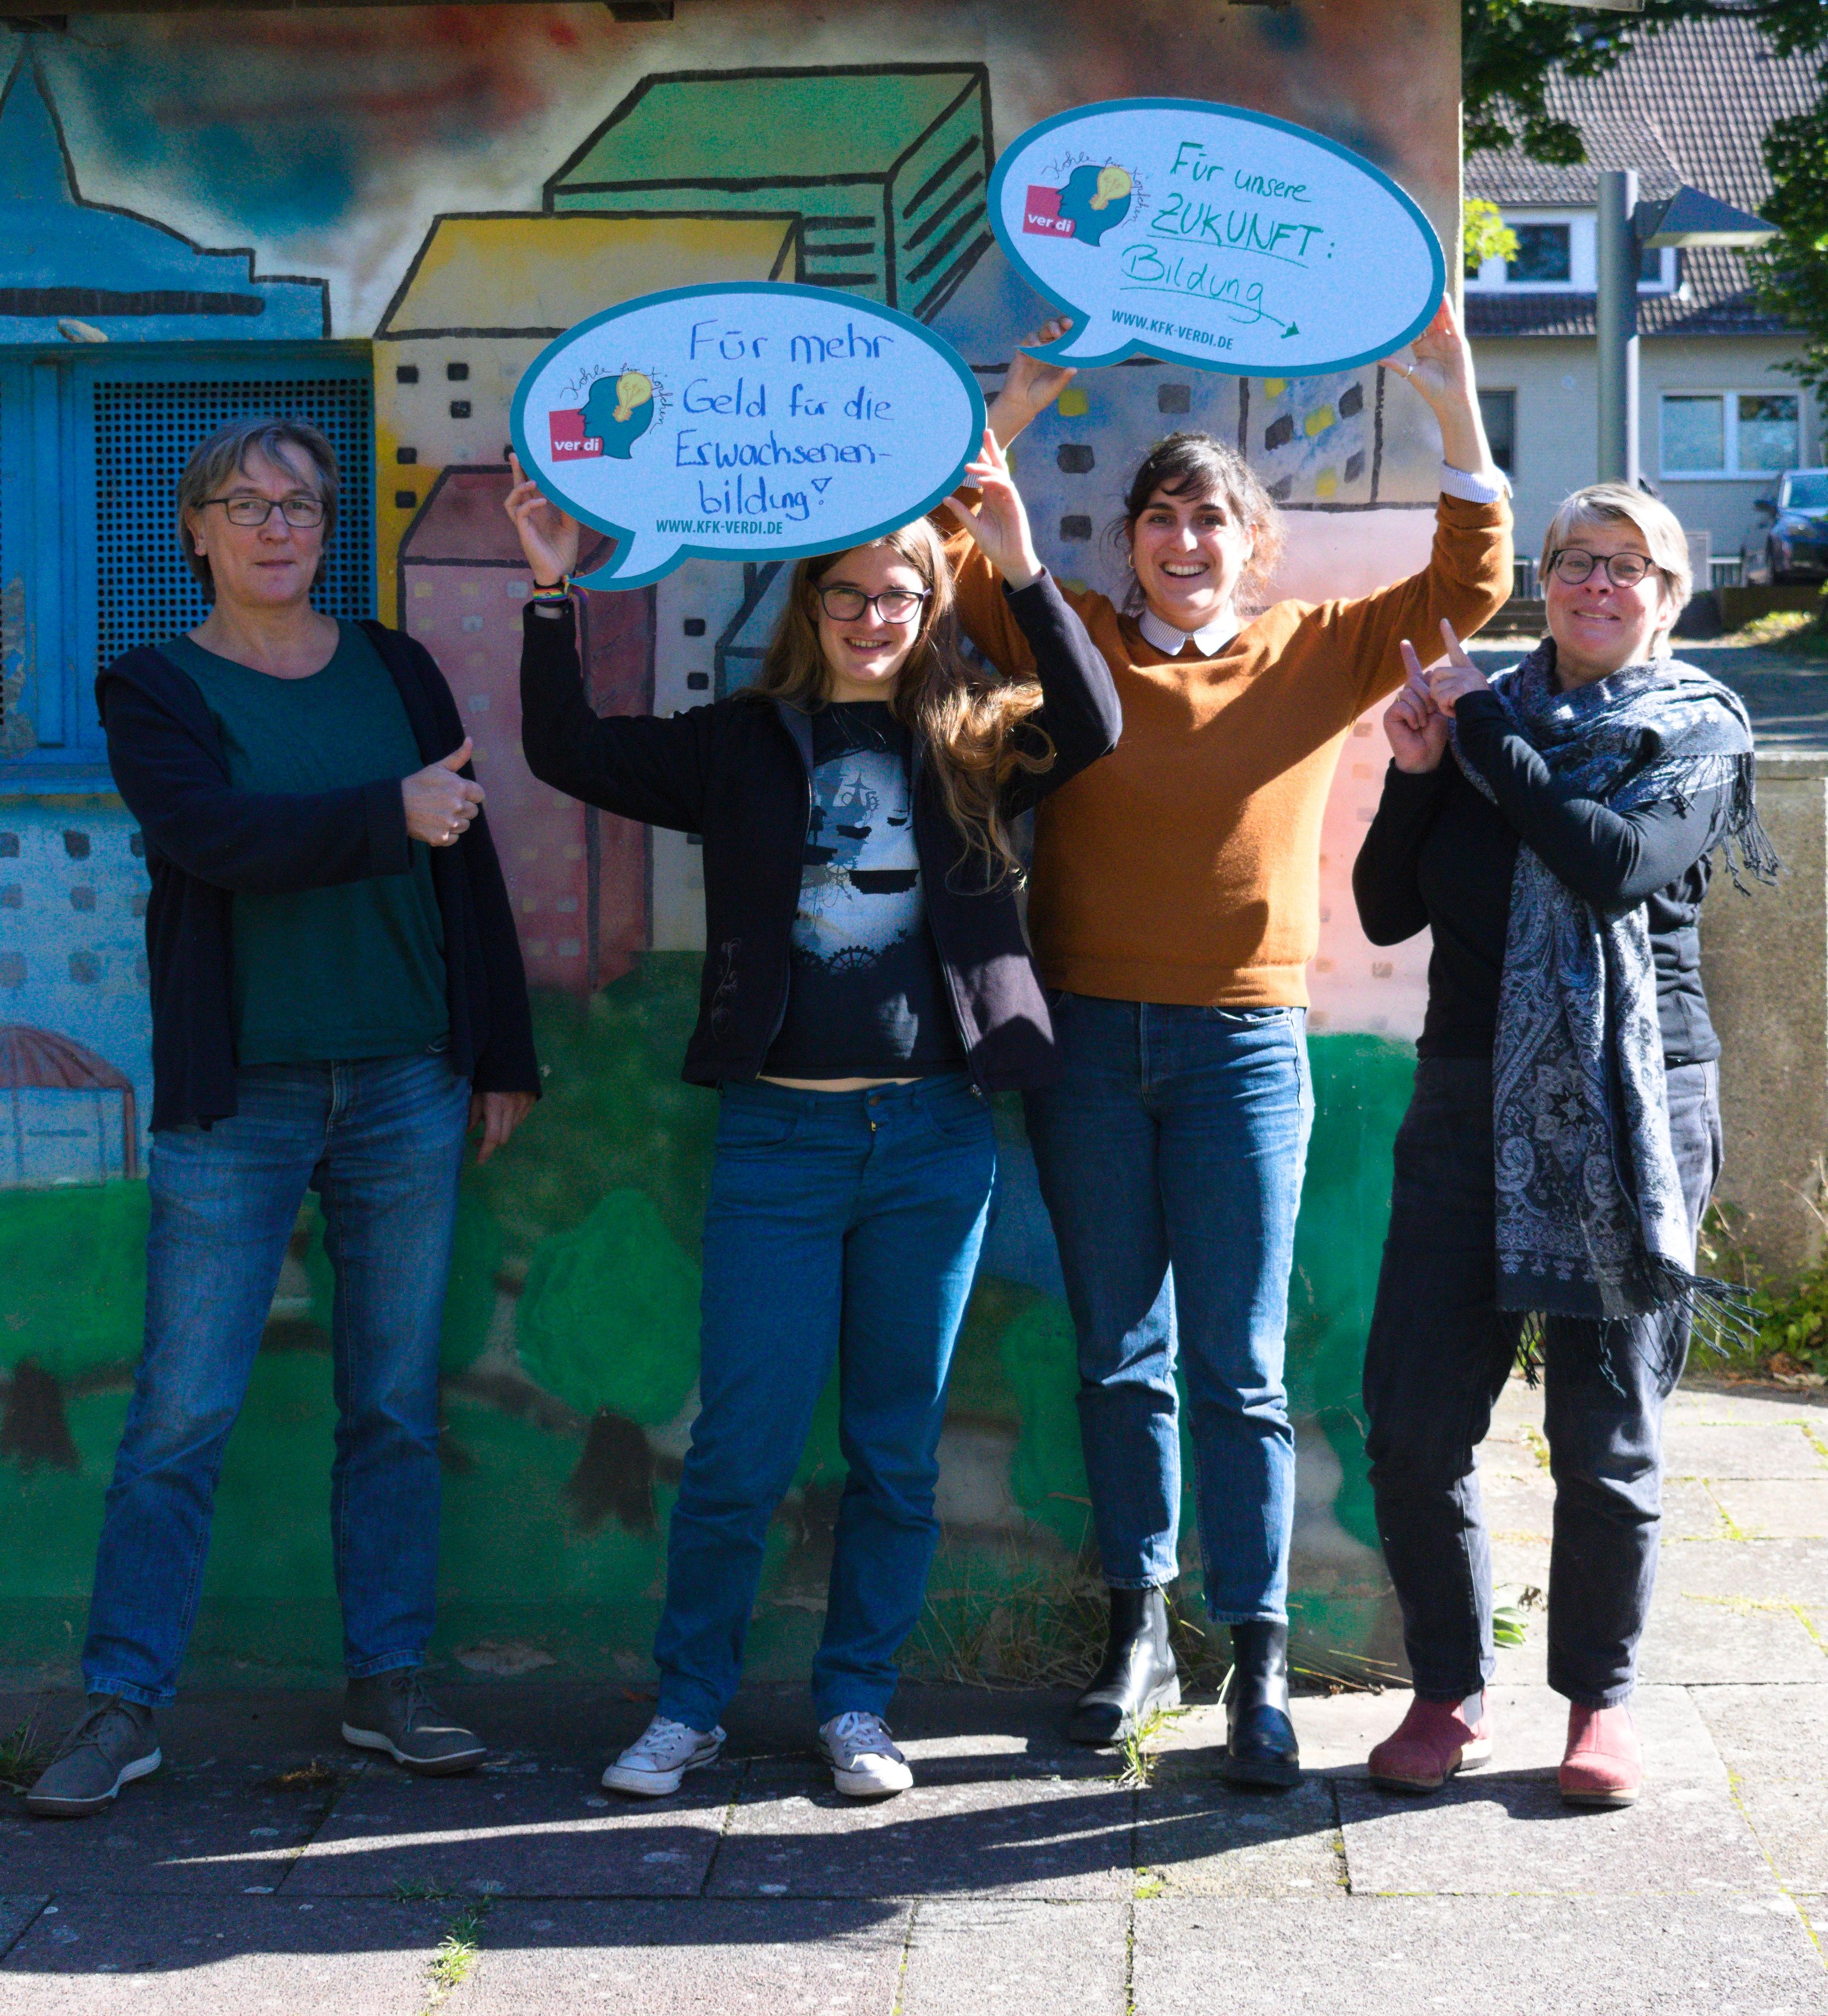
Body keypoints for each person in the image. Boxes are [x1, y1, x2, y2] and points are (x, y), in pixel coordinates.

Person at [505, 431, 1120, 1801]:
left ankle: (856, 1704)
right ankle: (690, 1705)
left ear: (928, 601)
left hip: (933, 1139)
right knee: (738, 1445)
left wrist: (1015, 559)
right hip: (779, 1142)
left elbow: (1095, 724)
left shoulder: (973, 737)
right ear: (807, 611)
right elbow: (568, 749)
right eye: (842, 595)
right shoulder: (741, 744)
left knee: (894, 1447)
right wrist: (553, 591)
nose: (868, 617)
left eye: (895, 593)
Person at [965, 302, 1512, 1786]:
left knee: (1242, 1367)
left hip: (1243, 1052)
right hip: (1084, 1042)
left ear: (1254, 544)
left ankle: (1255, 1657)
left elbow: (1472, 583)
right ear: (1128, 540)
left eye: (1214, 519)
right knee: (1117, 1356)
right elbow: (947, 567)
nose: (1186, 541)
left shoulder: (1312, 653)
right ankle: (1135, 1630)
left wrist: (1456, 409)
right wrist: (1006, 416)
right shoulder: (1069, 637)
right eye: (1163, 518)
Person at [26, 418, 539, 1821]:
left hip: (405, 1082)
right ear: (196, 528)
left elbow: (467, 861)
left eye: (299, 504)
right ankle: (124, 1700)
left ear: (327, 527)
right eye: (243, 504)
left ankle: (388, 1682)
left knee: (391, 1402)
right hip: (237, 1095)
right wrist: (393, 809)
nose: (274, 526)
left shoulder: (393, 663)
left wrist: (499, 1050)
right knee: (181, 1414)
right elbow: (214, 838)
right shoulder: (154, 686)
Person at [1353, 484, 1774, 1807]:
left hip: (1634, 1103)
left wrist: (1477, 724)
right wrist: (1421, 774)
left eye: (1628, 566)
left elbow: (1604, 861)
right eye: (1573, 562)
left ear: (1669, 591)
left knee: (1605, 1434)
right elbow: (1376, 908)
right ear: (1543, 579)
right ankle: (1446, 1686)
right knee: (1413, 1421)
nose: (1599, 584)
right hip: (1464, 1091)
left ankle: (1599, 1702)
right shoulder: (1478, 730)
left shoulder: (1694, 728)